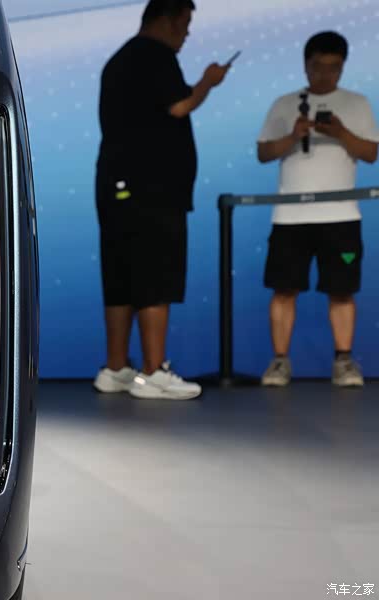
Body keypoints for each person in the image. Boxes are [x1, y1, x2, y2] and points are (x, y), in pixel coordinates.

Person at [93, 0, 229, 399]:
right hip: (152, 187)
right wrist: (208, 81)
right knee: (155, 272)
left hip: (114, 183)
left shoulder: (119, 60)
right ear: (167, 20)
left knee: (120, 274)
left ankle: (115, 368)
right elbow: (180, 105)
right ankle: (154, 371)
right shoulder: (155, 55)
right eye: (185, 23)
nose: (187, 33)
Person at [257, 31, 379, 387]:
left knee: (342, 290)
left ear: (343, 67)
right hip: (290, 216)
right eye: (317, 67)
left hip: (341, 216)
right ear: (305, 66)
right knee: (283, 289)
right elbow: (263, 153)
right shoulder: (284, 104)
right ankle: (279, 362)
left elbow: (371, 153)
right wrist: (293, 136)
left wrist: (341, 133)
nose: (325, 75)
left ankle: (344, 361)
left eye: (333, 68)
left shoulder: (357, 103)